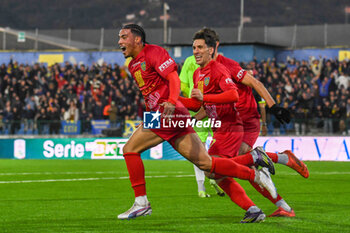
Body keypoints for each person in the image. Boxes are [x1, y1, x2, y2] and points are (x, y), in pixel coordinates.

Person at [117, 24, 276, 221]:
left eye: (124, 37)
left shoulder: (154, 52)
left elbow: (173, 78)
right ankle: (255, 184)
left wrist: (171, 101)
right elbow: (164, 92)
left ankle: (141, 203)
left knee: (129, 149)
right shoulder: (133, 64)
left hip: (166, 113)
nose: (120, 41)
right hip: (167, 112)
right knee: (207, 165)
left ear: (137, 39)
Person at [193, 28, 309, 217]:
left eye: (201, 47)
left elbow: (256, 83)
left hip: (246, 120)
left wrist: (273, 106)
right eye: (195, 47)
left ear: (213, 48)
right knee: (233, 167)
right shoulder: (203, 73)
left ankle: (272, 165)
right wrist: (189, 119)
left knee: (225, 166)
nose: (197, 51)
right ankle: (284, 203)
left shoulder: (226, 65)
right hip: (229, 122)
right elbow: (208, 105)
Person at [180, 55, 224, 198]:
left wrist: (190, 98)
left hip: (197, 106)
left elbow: (182, 84)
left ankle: (201, 188)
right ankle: (217, 177)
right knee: (219, 144)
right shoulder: (217, 59)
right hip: (214, 107)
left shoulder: (188, 61)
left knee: (198, 148)